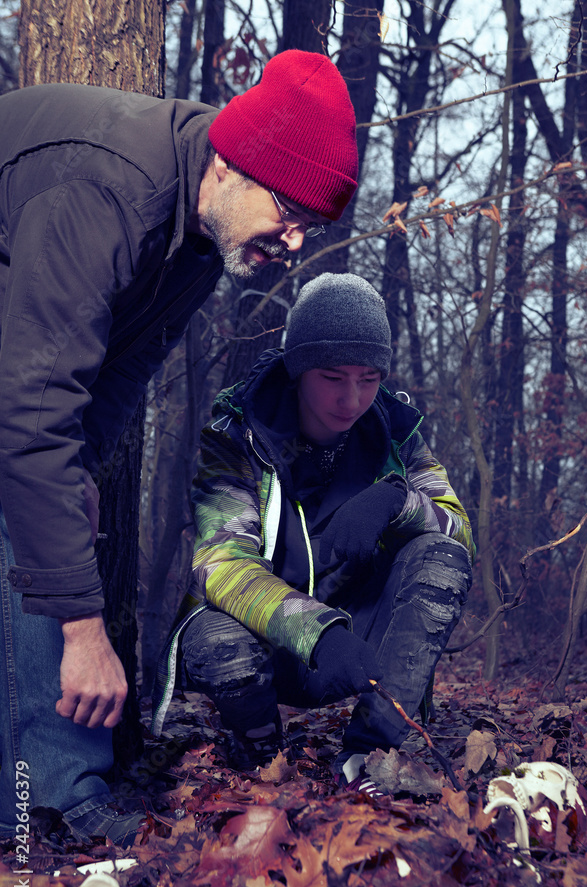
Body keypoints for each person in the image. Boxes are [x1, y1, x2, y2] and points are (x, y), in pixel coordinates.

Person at [0, 51, 359, 846]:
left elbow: (120, 368)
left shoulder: (204, 238)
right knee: (28, 510)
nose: (295, 243)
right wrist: (84, 632)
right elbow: (28, 418)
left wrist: (83, 465)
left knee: (51, 498)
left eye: (313, 225)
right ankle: (53, 800)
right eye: (289, 211)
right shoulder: (105, 195)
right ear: (232, 166)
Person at [152, 273, 474, 795]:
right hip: (271, 643)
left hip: (361, 642)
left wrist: (397, 501)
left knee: (443, 555)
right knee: (217, 639)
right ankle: (260, 758)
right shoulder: (236, 438)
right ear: (298, 370)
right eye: (331, 376)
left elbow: (458, 528)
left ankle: (369, 757)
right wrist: (317, 632)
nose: (352, 399)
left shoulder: (398, 432)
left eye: (369, 378)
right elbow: (221, 564)